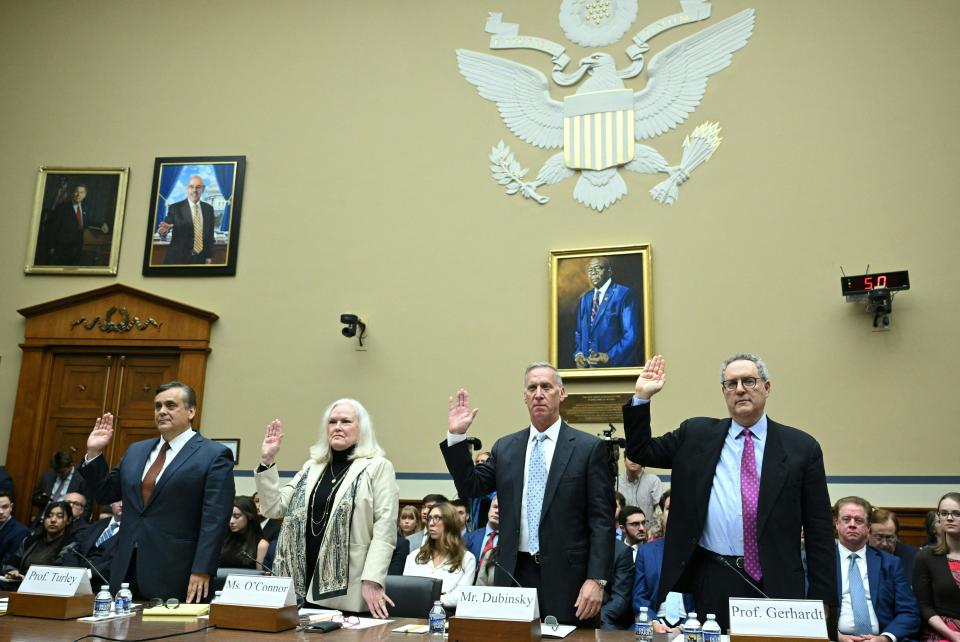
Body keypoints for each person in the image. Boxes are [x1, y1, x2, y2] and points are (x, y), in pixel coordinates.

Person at [624, 353, 836, 633]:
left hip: (778, 579)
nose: (739, 389)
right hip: (715, 575)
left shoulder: (801, 448)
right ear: (724, 392)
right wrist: (642, 398)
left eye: (749, 381)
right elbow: (640, 451)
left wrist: (822, 601)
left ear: (767, 388)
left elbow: (819, 530)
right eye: (730, 383)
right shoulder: (696, 435)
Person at [441, 362, 615, 626]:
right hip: (514, 574)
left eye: (546, 386)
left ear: (562, 393)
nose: (538, 393)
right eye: (532, 388)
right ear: (524, 397)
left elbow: (602, 521)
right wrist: (457, 437)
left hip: (569, 579)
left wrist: (597, 579)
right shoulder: (506, 447)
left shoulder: (588, 448)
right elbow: (470, 487)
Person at [79, 381, 235, 602]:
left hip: (178, 571)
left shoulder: (214, 455)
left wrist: (203, 569)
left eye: (171, 405)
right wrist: (94, 452)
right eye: (158, 406)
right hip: (126, 568)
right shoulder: (136, 450)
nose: (162, 411)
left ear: (191, 411)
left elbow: (215, 520)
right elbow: (106, 493)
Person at [256, 398, 398, 618]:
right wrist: (267, 460)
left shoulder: (378, 466)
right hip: (300, 580)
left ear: (362, 429)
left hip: (348, 583)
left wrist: (373, 578)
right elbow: (274, 508)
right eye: (332, 422)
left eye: (346, 421)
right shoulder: (312, 467)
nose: (338, 427)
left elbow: (385, 526)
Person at [833, 496, 918, 642]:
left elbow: (909, 612)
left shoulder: (890, 563)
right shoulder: (821, 562)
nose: (852, 525)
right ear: (836, 523)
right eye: (846, 519)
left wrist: (885, 638)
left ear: (868, 527)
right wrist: (836, 636)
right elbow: (808, 609)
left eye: (859, 520)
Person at [634, 489, 695, 634]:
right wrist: (653, 622)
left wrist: (684, 627)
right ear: (661, 515)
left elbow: (705, 598)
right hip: (654, 621)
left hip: (690, 624)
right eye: (669, 509)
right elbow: (639, 596)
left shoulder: (698, 553)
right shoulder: (646, 552)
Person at [403, 502, 476, 608]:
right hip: (414, 614)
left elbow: (460, 596)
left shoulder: (467, 559)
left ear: (450, 522)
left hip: (447, 616)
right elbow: (405, 590)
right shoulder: (414, 556)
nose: (431, 523)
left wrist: (433, 601)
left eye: (437, 518)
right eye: (429, 518)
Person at [572, 257, 640, 368]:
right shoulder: (585, 298)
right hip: (587, 371)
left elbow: (630, 335)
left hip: (614, 368)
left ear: (609, 272)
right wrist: (578, 354)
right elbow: (579, 332)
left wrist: (609, 356)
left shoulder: (624, 294)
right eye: (590, 270)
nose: (593, 272)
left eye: (598, 268)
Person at [913, 492, 960, 642]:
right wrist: (952, 635)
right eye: (944, 513)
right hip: (942, 633)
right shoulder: (925, 557)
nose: (950, 518)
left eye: (956, 513)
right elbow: (924, 606)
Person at [2, 500, 75, 581]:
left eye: (59, 516)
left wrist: (28, 579)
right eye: (49, 516)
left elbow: (61, 576)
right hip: (18, 585)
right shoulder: (30, 541)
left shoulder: (71, 546)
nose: (53, 520)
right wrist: (13, 571)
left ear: (69, 520)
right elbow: (12, 563)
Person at [43, 184, 108, 265]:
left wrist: (101, 224)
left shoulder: (85, 208)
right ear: (73, 193)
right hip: (61, 250)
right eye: (76, 192)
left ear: (85, 195)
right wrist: (51, 247)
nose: (78, 195)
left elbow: (87, 221)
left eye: (81, 192)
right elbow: (52, 228)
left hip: (77, 249)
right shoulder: (62, 208)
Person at [158, 175, 216, 265]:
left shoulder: (209, 209)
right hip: (177, 258)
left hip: (200, 259)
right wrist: (164, 231)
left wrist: (209, 257)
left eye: (198, 187)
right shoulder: (175, 208)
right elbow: (167, 224)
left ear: (203, 189)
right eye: (191, 187)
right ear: (186, 189)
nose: (194, 190)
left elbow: (210, 236)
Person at [63, 500, 122, 583]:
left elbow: (121, 561)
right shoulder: (96, 525)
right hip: (74, 579)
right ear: (111, 502)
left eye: (126, 500)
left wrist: (89, 574)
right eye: (118, 500)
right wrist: (72, 573)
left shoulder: (135, 531)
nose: (122, 504)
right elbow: (74, 549)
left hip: (103, 583)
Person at [871, 508, 919, 586]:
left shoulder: (914, 557)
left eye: (889, 537)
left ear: (897, 536)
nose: (884, 544)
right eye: (879, 537)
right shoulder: (860, 556)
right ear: (868, 535)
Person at [219, 496, 269, 569]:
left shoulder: (261, 545)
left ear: (249, 516)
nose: (231, 521)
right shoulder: (222, 538)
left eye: (236, 516)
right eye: (229, 516)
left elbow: (260, 577)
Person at [33, 450, 89, 515]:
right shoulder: (47, 476)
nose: (59, 475)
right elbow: (35, 497)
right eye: (56, 472)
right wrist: (41, 499)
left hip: (69, 521)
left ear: (71, 465)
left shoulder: (82, 480)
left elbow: (87, 508)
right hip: (44, 518)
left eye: (62, 472)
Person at [618, 456, 662, 529]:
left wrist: (653, 531)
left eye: (636, 456)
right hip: (623, 533)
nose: (633, 460)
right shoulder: (616, 482)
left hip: (647, 533)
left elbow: (660, 511)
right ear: (624, 461)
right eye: (629, 457)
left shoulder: (653, 481)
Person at [464, 495, 499, 580]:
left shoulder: (510, 542)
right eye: (495, 507)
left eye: (503, 508)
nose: (497, 511)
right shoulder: (469, 537)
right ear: (489, 510)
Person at [0, 491, 30, 566]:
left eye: (5, 507)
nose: (0, 512)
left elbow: (7, 564)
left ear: (11, 507)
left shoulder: (20, 532)